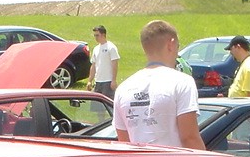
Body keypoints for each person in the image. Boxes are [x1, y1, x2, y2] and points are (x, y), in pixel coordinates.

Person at [113, 20, 205, 150]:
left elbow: (124, 143)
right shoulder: (182, 82)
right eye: (178, 47)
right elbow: (189, 138)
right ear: (171, 44)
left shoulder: (123, 88)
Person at [87, 25, 120, 97]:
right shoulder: (96, 49)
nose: (96, 37)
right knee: (95, 102)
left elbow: (115, 64)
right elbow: (93, 66)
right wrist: (90, 81)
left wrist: (113, 80)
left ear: (103, 35)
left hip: (108, 81)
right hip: (97, 82)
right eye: (94, 35)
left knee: (106, 102)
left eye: (97, 35)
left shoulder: (111, 47)